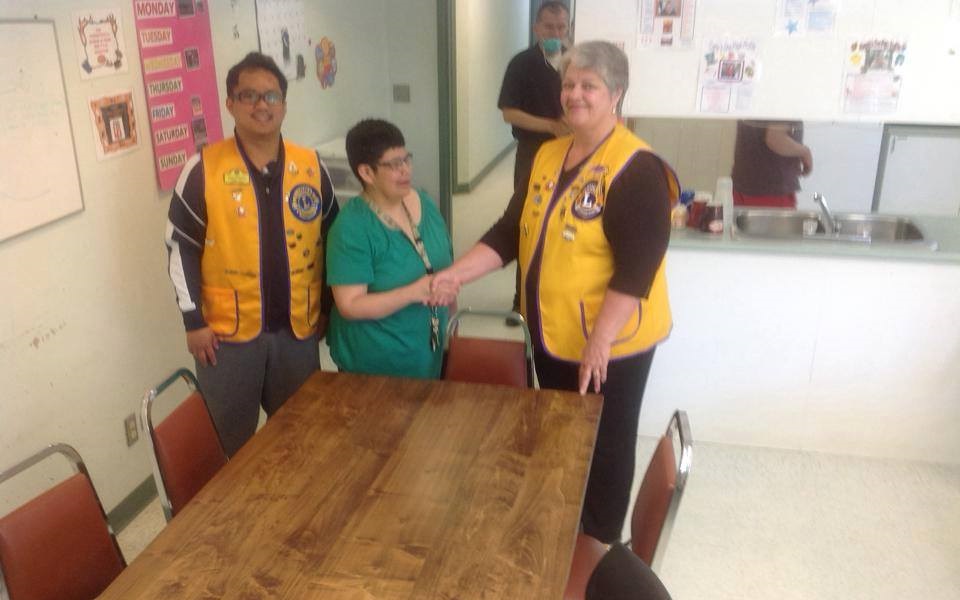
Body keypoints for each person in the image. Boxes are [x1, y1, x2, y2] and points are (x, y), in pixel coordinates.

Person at [433, 41, 678, 544]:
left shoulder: (637, 168)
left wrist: (600, 341)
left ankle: (598, 545)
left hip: (610, 343)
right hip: (550, 330)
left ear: (617, 95)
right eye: (568, 84)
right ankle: (564, 524)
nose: (575, 94)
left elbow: (637, 270)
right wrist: (457, 274)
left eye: (589, 85)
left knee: (605, 443)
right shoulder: (547, 154)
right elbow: (509, 232)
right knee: (562, 431)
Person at [165, 51, 338, 457]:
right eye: (249, 96)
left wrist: (328, 304)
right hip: (226, 337)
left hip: (298, 329)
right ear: (230, 103)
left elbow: (334, 237)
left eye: (271, 96)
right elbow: (179, 248)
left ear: (284, 104)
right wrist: (193, 321)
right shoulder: (202, 169)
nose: (262, 105)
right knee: (228, 449)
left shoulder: (310, 165)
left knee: (302, 439)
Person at [325, 119, 456, 379]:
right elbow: (350, 305)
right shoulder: (352, 227)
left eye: (407, 159)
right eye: (395, 165)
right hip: (376, 363)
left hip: (429, 348)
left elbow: (444, 266)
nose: (406, 170)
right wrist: (412, 292)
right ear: (366, 173)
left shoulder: (425, 202)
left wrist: (451, 325)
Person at [498, 1, 571, 322]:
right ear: (536, 28)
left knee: (566, 223)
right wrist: (551, 126)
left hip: (573, 153)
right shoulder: (522, 64)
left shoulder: (577, 62)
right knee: (527, 221)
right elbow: (508, 113)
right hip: (533, 153)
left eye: (562, 27)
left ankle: (557, 296)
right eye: (550, 27)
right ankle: (521, 300)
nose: (556, 33)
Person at [731, 120, 812, 208]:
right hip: (771, 189)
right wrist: (805, 152)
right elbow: (775, 138)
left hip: (743, 184)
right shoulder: (785, 105)